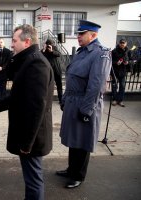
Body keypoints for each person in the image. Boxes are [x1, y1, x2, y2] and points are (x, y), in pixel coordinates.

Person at [0, 24, 54, 200]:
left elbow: (36, 107)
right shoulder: (28, 60)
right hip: (28, 136)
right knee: (31, 177)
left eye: (14, 40)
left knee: (34, 179)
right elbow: (20, 96)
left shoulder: (36, 63)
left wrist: (27, 143)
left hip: (31, 138)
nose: (11, 45)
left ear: (26, 41)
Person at [57, 20, 112, 189]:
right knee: (74, 140)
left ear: (93, 35)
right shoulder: (82, 52)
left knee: (83, 142)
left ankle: (78, 175)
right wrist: (65, 99)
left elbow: (96, 86)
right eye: (78, 33)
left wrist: (86, 109)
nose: (78, 37)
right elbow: (71, 77)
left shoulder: (100, 54)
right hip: (74, 101)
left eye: (82, 34)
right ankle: (71, 169)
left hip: (85, 103)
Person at [41, 38, 63, 104]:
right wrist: (44, 49)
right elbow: (40, 56)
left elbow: (59, 54)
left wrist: (52, 51)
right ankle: (46, 100)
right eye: (48, 45)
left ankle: (61, 99)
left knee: (59, 85)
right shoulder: (43, 51)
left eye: (50, 44)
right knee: (48, 86)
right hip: (49, 71)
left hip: (57, 70)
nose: (49, 46)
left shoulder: (54, 48)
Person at [111, 38, 129, 107]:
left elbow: (132, 60)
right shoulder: (114, 51)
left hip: (123, 72)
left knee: (122, 86)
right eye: (121, 43)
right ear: (119, 43)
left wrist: (127, 63)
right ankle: (114, 100)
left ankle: (120, 100)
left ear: (126, 44)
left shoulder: (128, 52)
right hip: (115, 71)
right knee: (114, 86)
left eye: (123, 43)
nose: (122, 44)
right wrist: (116, 63)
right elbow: (111, 62)